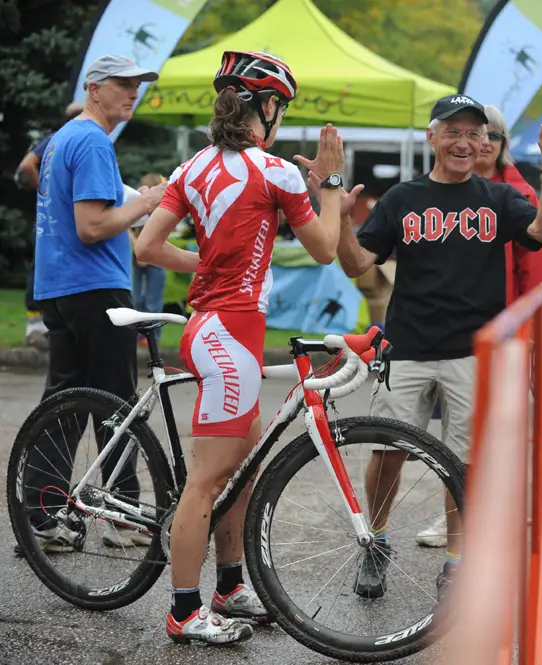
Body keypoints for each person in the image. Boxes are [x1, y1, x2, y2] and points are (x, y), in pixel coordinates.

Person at [135, 49, 355, 646]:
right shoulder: (276, 171)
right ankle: (184, 611)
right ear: (267, 106)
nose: (280, 116)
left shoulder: (191, 167)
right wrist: (331, 183)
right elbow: (326, 250)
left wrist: (205, 264)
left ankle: (230, 586)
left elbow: (147, 249)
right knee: (208, 481)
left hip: (215, 327)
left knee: (241, 470)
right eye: (279, 106)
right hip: (230, 334)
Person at [335, 95, 542, 601]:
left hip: (472, 354)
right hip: (406, 349)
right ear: (433, 138)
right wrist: (338, 217)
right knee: (386, 452)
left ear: (487, 144)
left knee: (462, 463)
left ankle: (456, 561)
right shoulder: (402, 198)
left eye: (476, 134)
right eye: (454, 131)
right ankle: (375, 543)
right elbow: (357, 262)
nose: (465, 142)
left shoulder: (496, 198)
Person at [22, 55, 166, 554]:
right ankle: (121, 513)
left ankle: (43, 516)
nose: (133, 93)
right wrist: (147, 203)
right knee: (117, 404)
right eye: (123, 85)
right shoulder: (92, 141)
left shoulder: (62, 137)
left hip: (59, 288)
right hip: (96, 287)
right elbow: (92, 226)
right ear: (94, 88)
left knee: (65, 404)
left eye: (138, 85)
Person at [415, 103, 542, 547]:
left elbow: (535, 275)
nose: (482, 144)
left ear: (500, 145)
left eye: (491, 136)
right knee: (458, 433)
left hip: (498, 335)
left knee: (483, 435)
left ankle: (478, 519)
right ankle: (465, 517)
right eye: (475, 134)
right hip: (441, 335)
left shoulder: (515, 195)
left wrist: (525, 338)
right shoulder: (437, 192)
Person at [14, 102, 85, 350]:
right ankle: (36, 326)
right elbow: (26, 164)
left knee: (47, 265)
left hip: (55, 217)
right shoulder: (60, 138)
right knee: (43, 265)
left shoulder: (62, 139)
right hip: (57, 218)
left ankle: (46, 325)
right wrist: (47, 192)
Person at [129, 173, 169, 343]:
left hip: (155, 257)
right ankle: (140, 334)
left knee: (153, 300)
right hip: (138, 257)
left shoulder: (162, 210)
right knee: (137, 298)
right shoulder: (138, 206)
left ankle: (154, 337)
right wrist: (138, 248)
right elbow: (127, 227)